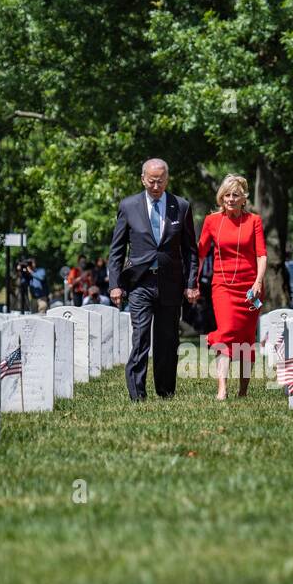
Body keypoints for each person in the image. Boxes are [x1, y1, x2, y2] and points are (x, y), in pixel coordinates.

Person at [108, 157, 198, 401]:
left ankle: (166, 390)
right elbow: (116, 249)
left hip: (171, 283)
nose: (156, 186)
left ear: (167, 180)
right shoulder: (129, 206)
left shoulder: (181, 206)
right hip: (140, 283)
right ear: (143, 179)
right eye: (151, 181)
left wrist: (191, 284)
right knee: (140, 337)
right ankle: (137, 393)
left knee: (168, 339)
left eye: (160, 181)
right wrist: (115, 284)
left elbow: (190, 250)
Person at [198, 174, 266, 399]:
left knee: (246, 337)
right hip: (223, 286)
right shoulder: (212, 221)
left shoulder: (254, 221)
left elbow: (261, 255)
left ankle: (243, 391)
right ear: (221, 198)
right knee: (226, 332)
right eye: (226, 195)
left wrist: (258, 282)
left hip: (250, 289)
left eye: (235, 195)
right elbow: (200, 253)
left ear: (243, 198)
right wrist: (193, 281)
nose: (230, 199)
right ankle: (222, 389)